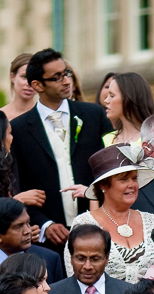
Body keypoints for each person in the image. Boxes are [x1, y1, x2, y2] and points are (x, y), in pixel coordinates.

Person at [10, 49, 113, 245]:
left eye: (66, 73)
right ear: (37, 85)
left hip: (99, 228)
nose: (66, 81)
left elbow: (112, 171)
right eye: (57, 77)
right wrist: (45, 224)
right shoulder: (18, 129)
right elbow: (18, 187)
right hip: (49, 241)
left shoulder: (95, 116)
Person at [63, 145, 154, 284]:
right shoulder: (84, 224)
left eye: (134, 178)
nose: (132, 185)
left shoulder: (152, 221)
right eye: (124, 179)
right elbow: (75, 276)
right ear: (103, 185)